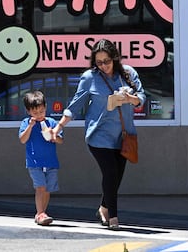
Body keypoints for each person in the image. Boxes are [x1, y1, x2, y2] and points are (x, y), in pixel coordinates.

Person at [52, 39, 145, 230]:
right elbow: (75, 105)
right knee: (110, 173)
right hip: (98, 135)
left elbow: (142, 98)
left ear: (115, 58)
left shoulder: (128, 73)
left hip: (123, 135)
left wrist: (130, 98)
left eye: (107, 61)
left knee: (116, 177)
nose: (103, 66)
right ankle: (113, 217)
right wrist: (59, 127)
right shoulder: (90, 77)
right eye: (99, 62)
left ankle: (103, 207)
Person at [18, 90, 64, 225]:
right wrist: (30, 126)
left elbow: (61, 140)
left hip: (51, 162)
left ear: (46, 108)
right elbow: (22, 139)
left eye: (41, 111)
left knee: (48, 189)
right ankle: (40, 213)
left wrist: (53, 135)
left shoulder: (51, 122)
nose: (39, 115)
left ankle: (42, 213)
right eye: (35, 112)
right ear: (28, 111)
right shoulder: (26, 123)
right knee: (40, 187)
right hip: (34, 162)